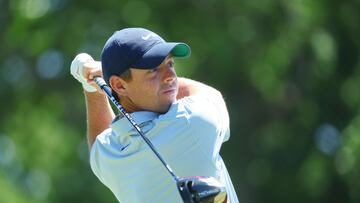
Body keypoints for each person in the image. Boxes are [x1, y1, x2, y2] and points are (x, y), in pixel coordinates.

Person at [70, 27, 239, 203]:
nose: (170, 76)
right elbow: (209, 94)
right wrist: (102, 76)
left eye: (170, 64)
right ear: (119, 85)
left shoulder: (112, 153)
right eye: (153, 70)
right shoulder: (192, 122)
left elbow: (97, 140)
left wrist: (91, 87)